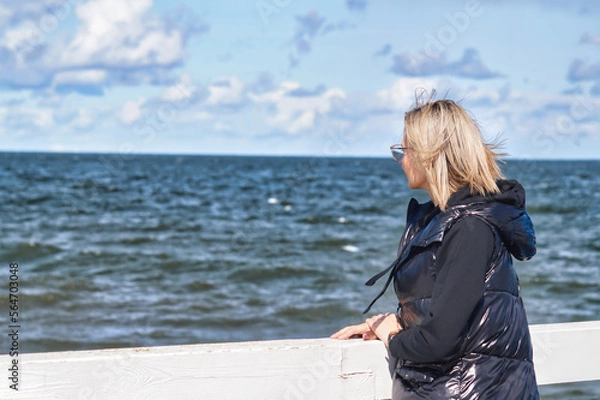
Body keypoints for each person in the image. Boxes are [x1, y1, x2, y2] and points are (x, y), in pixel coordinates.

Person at [331, 94, 539, 399]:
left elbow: (441, 339)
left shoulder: (470, 228)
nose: (401, 159)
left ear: (431, 155)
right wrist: (393, 323)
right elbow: (447, 310)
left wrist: (390, 334)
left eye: (404, 149)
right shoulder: (447, 221)